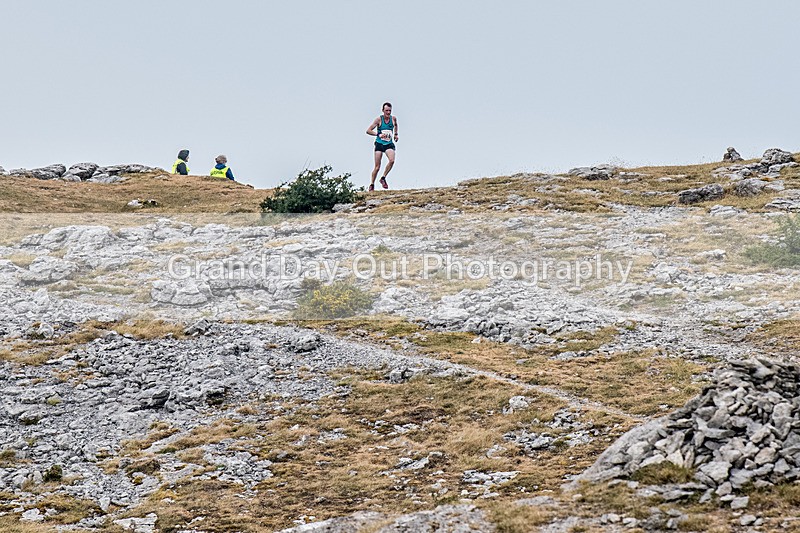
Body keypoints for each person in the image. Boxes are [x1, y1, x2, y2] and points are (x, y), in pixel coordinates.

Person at [366, 102, 398, 191]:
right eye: (386, 110)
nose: (388, 113)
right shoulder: (378, 120)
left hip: (388, 144)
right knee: (377, 167)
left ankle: (383, 178)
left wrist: (396, 134)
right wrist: (378, 134)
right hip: (379, 144)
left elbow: (395, 126)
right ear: (383, 110)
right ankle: (372, 184)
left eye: (390, 111)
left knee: (392, 160)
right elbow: (368, 131)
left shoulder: (393, 119)